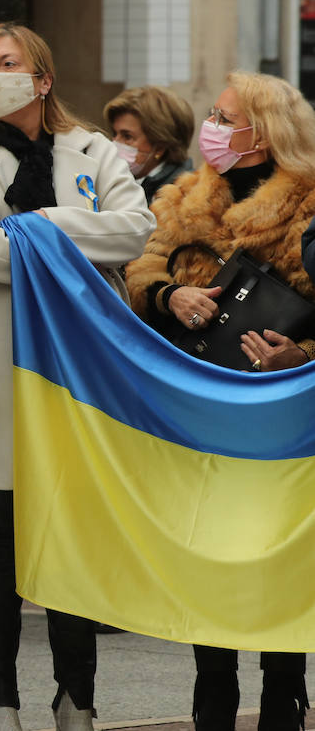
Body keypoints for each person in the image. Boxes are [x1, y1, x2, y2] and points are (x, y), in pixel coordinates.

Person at [0, 22, 155, 731]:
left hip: (78, 367)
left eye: (9, 63)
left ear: (43, 78)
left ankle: (76, 699)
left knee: (71, 541)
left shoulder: (94, 150)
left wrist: (40, 222)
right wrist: (76, 233)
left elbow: (135, 229)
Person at [125, 71, 315, 731]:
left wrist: (302, 357)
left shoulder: (310, 206)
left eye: (223, 115)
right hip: (200, 412)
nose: (210, 124)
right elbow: (141, 271)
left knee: (276, 560)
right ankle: (214, 693)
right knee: (209, 554)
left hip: (281, 420)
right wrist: (168, 294)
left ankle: (285, 691)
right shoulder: (180, 199)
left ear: (261, 134)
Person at [103, 86, 195, 203]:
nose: (114, 144)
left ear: (160, 148)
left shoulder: (184, 200)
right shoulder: (118, 183)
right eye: (115, 134)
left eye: (127, 137)